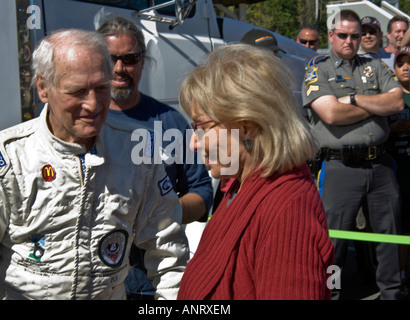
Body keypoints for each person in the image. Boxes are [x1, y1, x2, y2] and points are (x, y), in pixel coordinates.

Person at [0, 29, 188, 300]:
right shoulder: (3, 159)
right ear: (43, 88)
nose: (92, 104)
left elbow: (168, 252)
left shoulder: (136, 149)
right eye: (78, 91)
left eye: (102, 88)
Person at [177, 43, 334, 300]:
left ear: (247, 126)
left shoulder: (287, 209)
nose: (194, 142)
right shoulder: (242, 185)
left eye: (202, 127)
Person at [96, 16, 213, 299]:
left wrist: (157, 214)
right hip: (97, 276)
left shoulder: (169, 121)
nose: (120, 68)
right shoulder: (85, 122)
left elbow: (202, 192)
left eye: (130, 58)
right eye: (111, 58)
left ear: (144, 60)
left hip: (156, 274)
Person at [302, 10, 404, 300]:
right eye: (343, 35)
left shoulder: (375, 66)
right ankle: (330, 294)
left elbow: (396, 102)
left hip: (381, 165)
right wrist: (375, 105)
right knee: (333, 242)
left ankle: (392, 294)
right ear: (332, 36)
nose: (350, 41)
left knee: (390, 238)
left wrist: (355, 99)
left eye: (355, 36)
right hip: (340, 168)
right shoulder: (317, 70)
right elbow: (331, 114)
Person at [390, 46, 410, 291]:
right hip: (398, 174)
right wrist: (394, 128)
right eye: (401, 63)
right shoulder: (390, 96)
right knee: (402, 229)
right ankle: (401, 276)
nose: (406, 67)